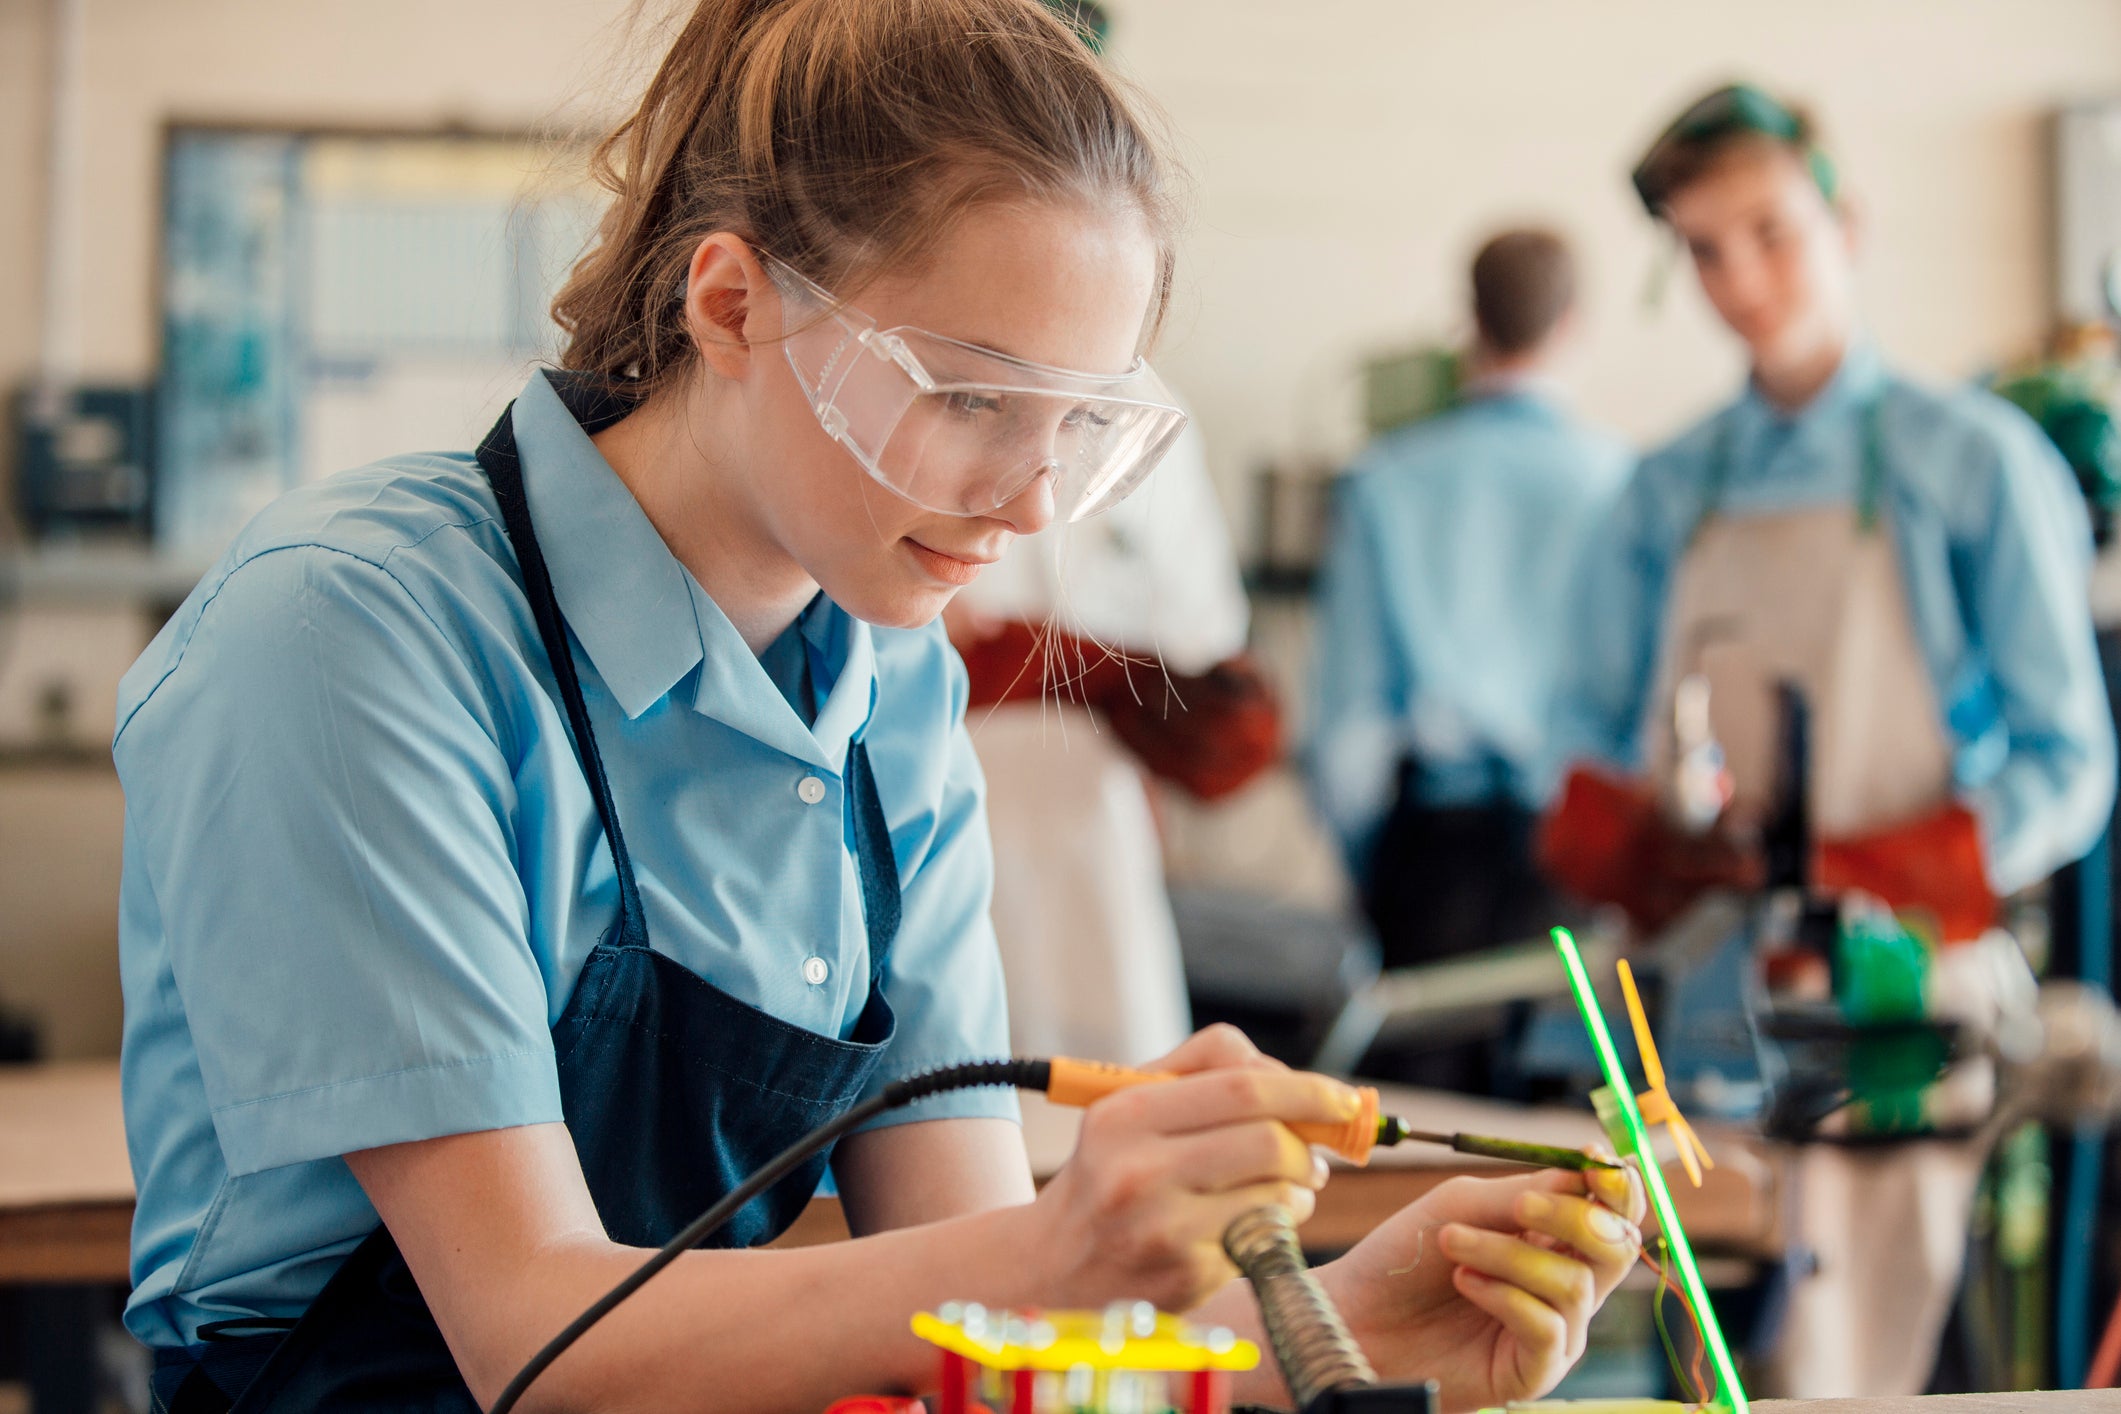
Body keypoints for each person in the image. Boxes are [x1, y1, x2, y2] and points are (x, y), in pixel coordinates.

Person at [112, 3, 1642, 1410]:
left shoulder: (887, 688)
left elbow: (973, 1301)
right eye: (973, 399)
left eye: (1079, 427)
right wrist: (1062, 1252)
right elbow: (533, 1337)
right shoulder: (357, 634)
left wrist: (1325, 1324)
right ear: (730, 304)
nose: (1032, 504)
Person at [1539, 83, 2117, 1395]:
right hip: (1695, 991)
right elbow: (1578, 733)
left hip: (1893, 994)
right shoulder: (1663, 489)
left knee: (1851, 1358)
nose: (1738, 276)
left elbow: (2068, 762)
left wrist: (1889, 863)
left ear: (1847, 222)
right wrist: (1636, 840)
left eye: (1769, 232)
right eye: (1700, 247)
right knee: (1680, 1346)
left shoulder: (1972, 462)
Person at [1309, 228, 1630, 977]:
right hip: (1572, 855)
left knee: (1412, 1092)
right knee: (1574, 1093)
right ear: (1573, 323)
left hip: (1430, 855)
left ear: (1470, 321)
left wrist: (1370, 870)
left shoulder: (1382, 481)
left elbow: (1345, 737)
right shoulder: (1621, 485)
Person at [949, 417, 1276, 1065]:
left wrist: (1079, 670)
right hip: (938, 797)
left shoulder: (1154, 420)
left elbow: (1210, 676)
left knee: (1109, 1090)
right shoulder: (933, 379)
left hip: (1097, 837)